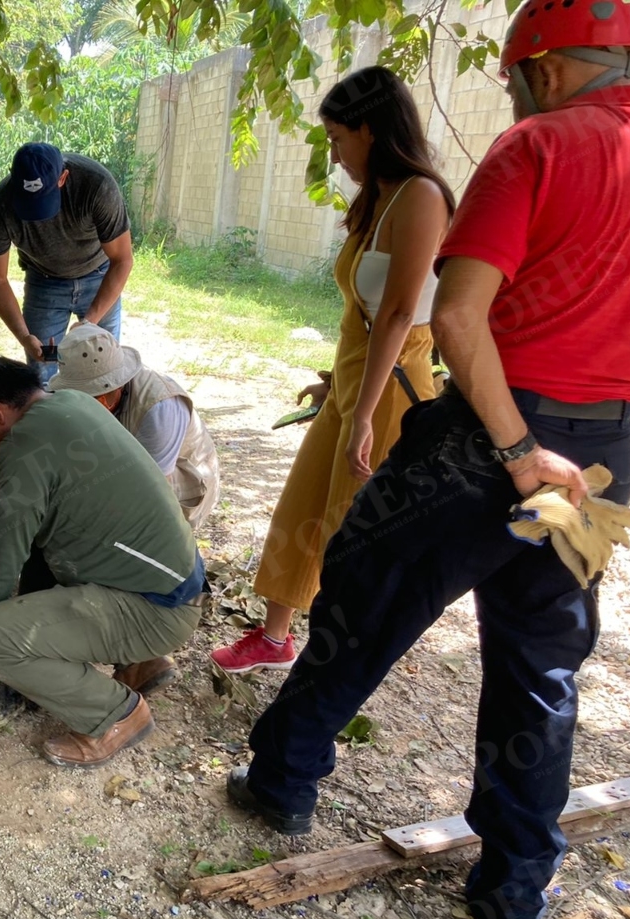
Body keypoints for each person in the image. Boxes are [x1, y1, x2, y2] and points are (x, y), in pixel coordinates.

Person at [227, 7, 630, 919]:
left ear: (540, 70)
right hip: (598, 455)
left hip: (491, 439)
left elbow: (457, 319)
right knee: (540, 675)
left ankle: (283, 780)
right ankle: (510, 907)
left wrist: (511, 448)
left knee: (363, 600)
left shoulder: (537, 146)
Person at [209, 66, 454, 674]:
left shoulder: (422, 197)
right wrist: (336, 384)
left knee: (355, 532)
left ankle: (337, 662)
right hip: (356, 380)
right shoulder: (380, 197)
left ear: (369, 129)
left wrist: (365, 413)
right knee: (303, 508)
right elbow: (366, 314)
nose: (335, 154)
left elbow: (399, 315)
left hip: (391, 390)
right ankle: (275, 637)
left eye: (338, 138)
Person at [0, 352, 206, 767]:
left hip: (156, 610)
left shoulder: (24, 444)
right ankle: (138, 662)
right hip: (170, 584)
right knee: (38, 567)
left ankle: (115, 715)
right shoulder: (71, 401)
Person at [0, 143, 133, 381]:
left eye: (43, 199)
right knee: (41, 375)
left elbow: (122, 259)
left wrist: (90, 321)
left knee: (104, 371)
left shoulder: (96, 185)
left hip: (98, 275)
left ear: (63, 178)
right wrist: (23, 336)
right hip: (44, 281)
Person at [48, 324, 219, 531]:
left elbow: (152, 492)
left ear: (113, 387)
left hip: (176, 485)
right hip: (127, 468)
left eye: (94, 396)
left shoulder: (159, 409)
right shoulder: (89, 398)